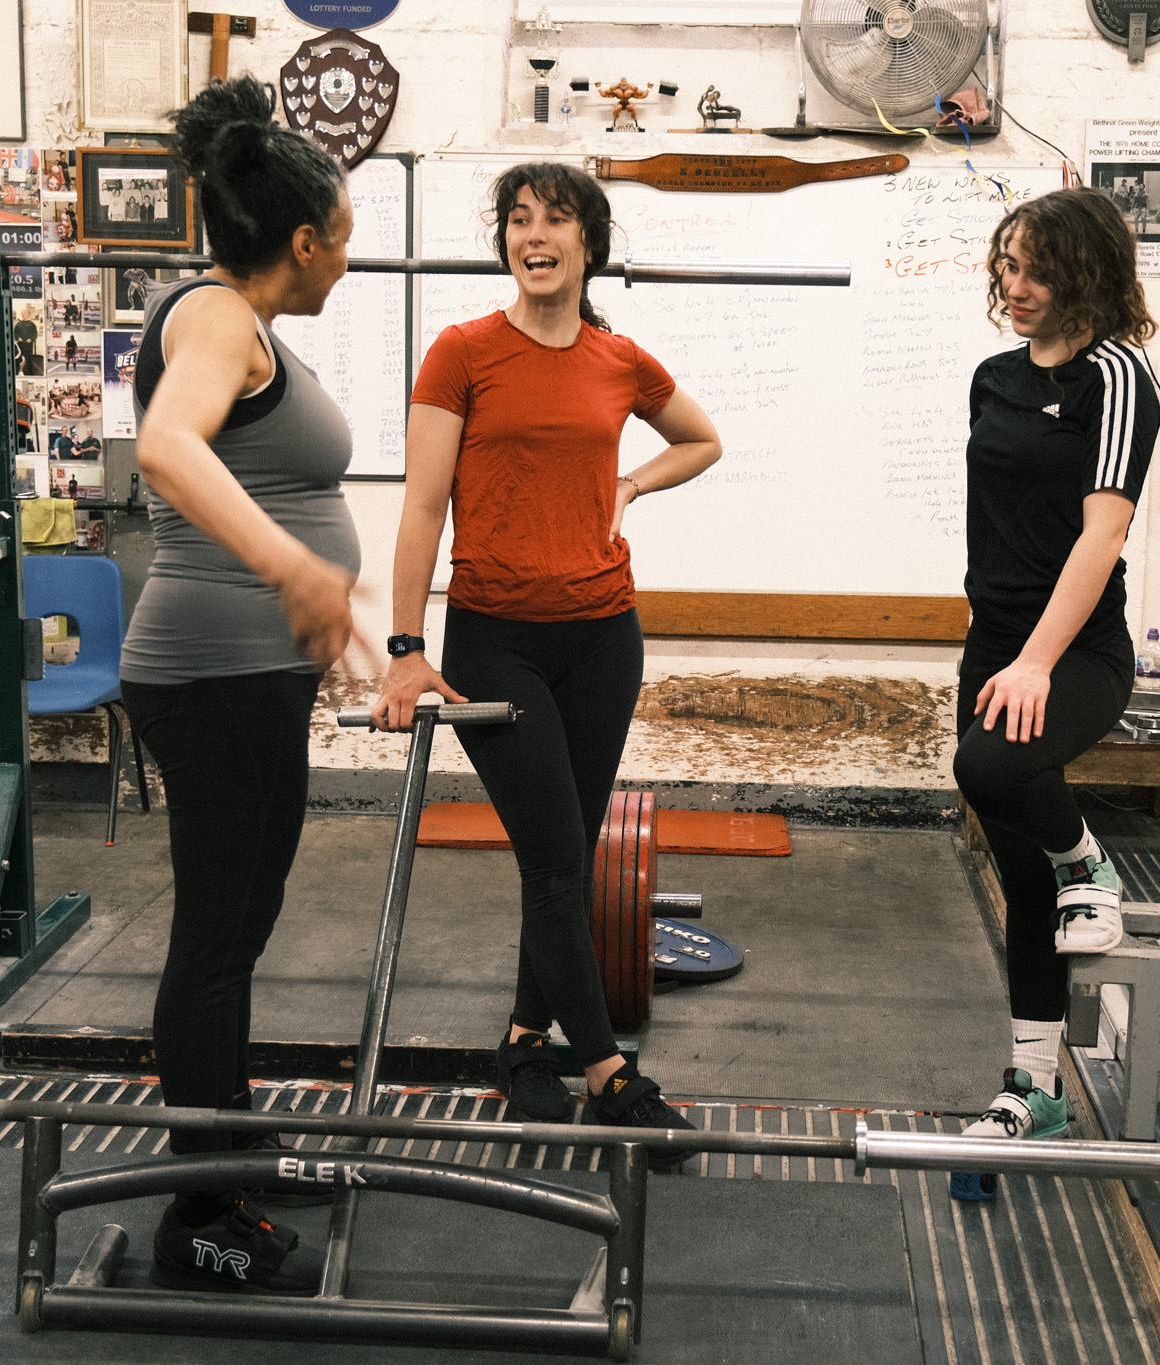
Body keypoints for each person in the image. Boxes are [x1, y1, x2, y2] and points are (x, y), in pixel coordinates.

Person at [369, 163, 722, 1155]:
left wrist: (636, 485)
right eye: (517, 219)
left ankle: (525, 1043)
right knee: (562, 859)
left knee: (557, 856)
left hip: (604, 638)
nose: (533, 235)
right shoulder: (461, 353)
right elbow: (421, 507)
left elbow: (700, 439)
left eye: (554, 220)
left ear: (587, 244)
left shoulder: (618, 360)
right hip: (496, 639)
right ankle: (610, 1071)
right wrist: (404, 647)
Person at [120, 75, 358, 1296]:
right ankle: (194, 1214)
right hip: (209, 670)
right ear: (304, 239)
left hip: (252, 675)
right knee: (216, 941)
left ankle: (236, 1148)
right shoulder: (215, 316)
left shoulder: (251, 326)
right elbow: (166, 446)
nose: (350, 259)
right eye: (348, 236)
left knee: (239, 931)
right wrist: (295, 570)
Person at [947, 188, 1159, 1192]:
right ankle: (1034, 1085)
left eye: (1035, 270)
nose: (1013, 286)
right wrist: (1000, 650)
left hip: (1072, 651)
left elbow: (1102, 531)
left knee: (986, 763)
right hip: (989, 641)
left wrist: (1033, 660)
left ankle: (1094, 865)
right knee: (1013, 864)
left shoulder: (1114, 379)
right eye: (1007, 265)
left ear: (1084, 277)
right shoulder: (993, 377)